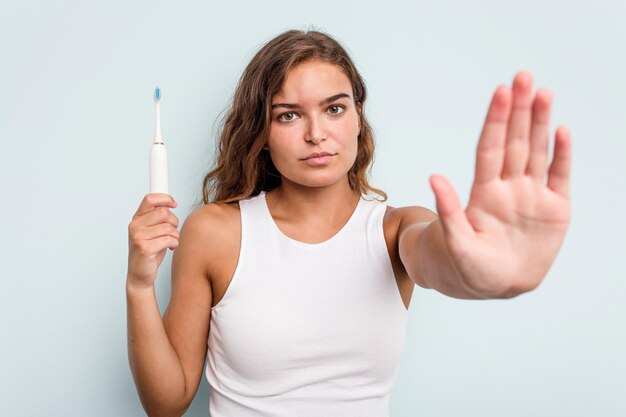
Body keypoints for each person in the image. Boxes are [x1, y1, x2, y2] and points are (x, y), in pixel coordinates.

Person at [126, 29, 572, 416]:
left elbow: (442, 258)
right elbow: (166, 405)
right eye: (288, 115)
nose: (316, 134)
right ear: (261, 134)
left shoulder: (396, 229)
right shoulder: (215, 232)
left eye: (334, 109)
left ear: (358, 117)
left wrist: (483, 273)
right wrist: (140, 286)